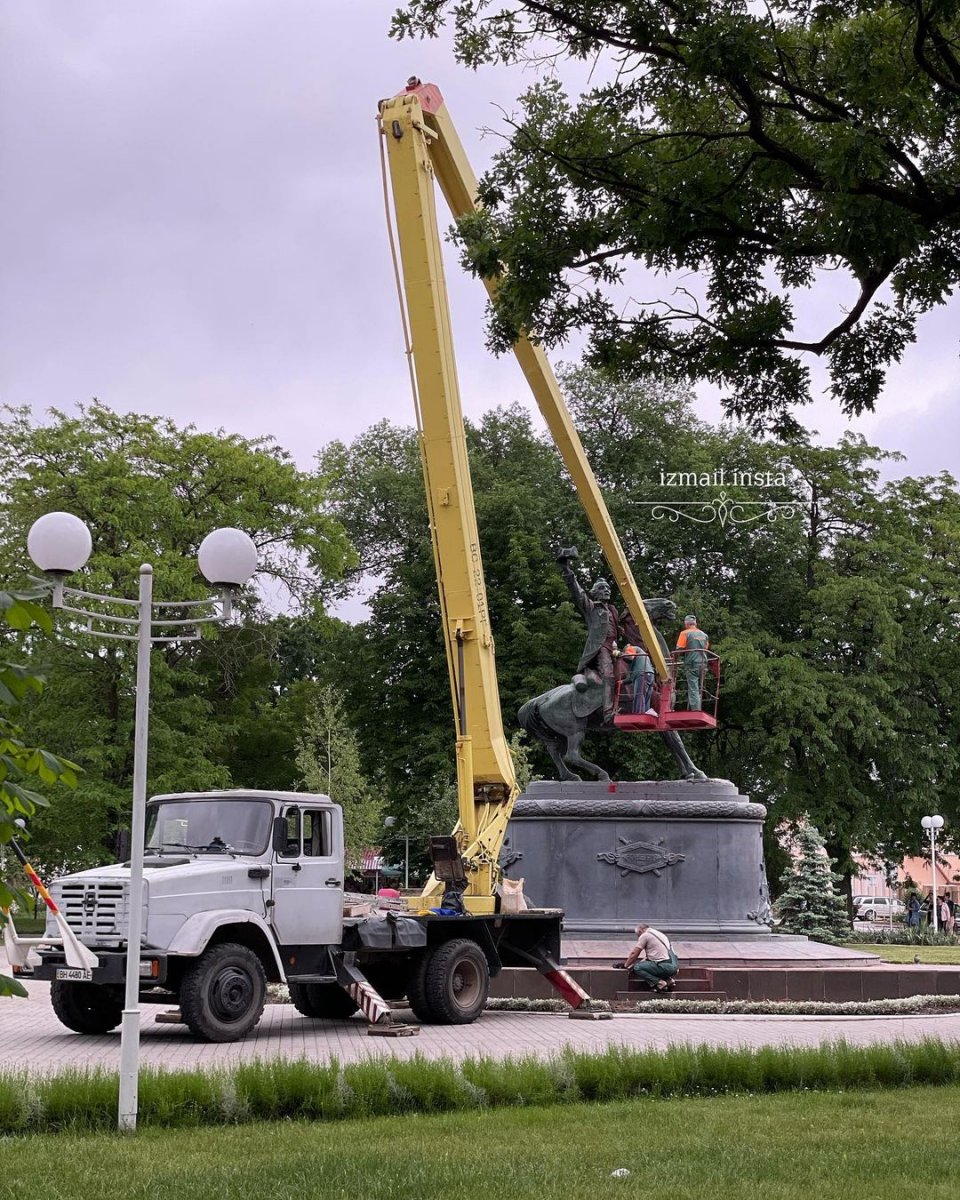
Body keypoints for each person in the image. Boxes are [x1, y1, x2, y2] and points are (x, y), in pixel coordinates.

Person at [557, 547, 621, 724]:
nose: (606, 590)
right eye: (602, 588)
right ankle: (608, 712)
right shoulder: (592, 607)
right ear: (594, 593)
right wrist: (566, 569)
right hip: (600, 648)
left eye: (608, 588)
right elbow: (577, 592)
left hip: (614, 648)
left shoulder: (614, 610)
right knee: (608, 674)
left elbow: (622, 628)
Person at [619, 923, 680, 991]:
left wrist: (626, 965)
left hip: (665, 966)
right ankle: (669, 980)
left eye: (638, 935)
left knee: (638, 967)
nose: (639, 937)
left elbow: (634, 953)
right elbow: (651, 957)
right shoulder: (660, 934)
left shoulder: (645, 935)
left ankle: (660, 983)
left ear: (640, 931)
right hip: (675, 966)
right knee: (651, 964)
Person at [675, 615, 710, 710]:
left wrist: (674, 659)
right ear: (695, 624)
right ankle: (696, 708)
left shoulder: (685, 633)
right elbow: (706, 648)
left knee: (693, 688)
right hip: (703, 664)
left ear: (686, 624)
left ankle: (695, 710)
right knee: (699, 688)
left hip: (692, 664)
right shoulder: (704, 635)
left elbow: (679, 650)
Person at [622, 644, 656, 715]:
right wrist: (623, 681)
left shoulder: (632, 648)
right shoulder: (643, 656)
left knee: (639, 695)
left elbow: (630, 657)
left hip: (642, 674)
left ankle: (638, 714)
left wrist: (620, 654)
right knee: (646, 697)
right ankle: (646, 713)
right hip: (650, 675)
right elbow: (632, 677)